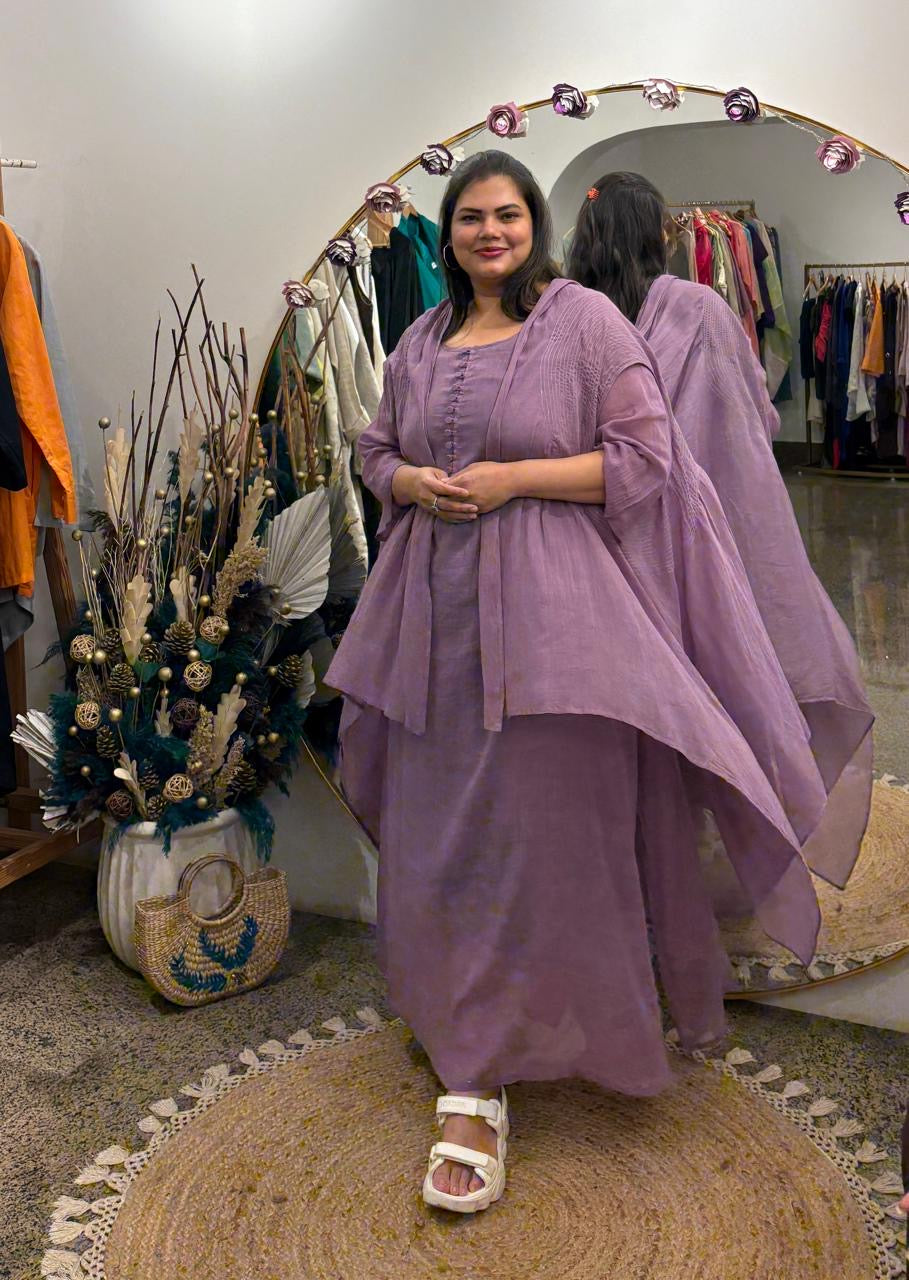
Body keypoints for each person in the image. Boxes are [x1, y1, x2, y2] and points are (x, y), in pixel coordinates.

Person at [326, 151, 831, 1216]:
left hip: (561, 634)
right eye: (471, 216)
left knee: (549, 837)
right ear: (448, 232)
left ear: (534, 225)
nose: (490, 232)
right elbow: (373, 451)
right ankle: (468, 1044)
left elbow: (644, 459)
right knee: (441, 838)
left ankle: (545, 1032)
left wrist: (513, 479)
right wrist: (408, 478)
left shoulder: (587, 324)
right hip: (430, 633)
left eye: (508, 214)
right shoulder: (419, 338)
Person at [567, 172, 873, 888]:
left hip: (597, 534)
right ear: (658, 233)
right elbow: (748, 417)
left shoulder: (563, 312)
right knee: (717, 686)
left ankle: (633, 855)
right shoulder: (697, 308)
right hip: (694, 535)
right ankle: (714, 847)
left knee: (628, 702)